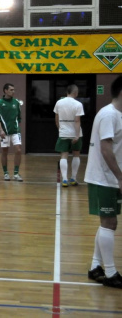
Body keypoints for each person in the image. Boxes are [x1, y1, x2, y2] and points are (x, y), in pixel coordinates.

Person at [85, 75, 122, 288]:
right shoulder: (109, 114)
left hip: (111, 176)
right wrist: (119, 176)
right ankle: (110, 273)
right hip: (104, 177)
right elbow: (106, 148)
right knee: (109, 222)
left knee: (109, 222)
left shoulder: (118, 114)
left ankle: (96, 266)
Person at [54, 84, 84, 187]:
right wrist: (76, 136)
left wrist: (60, 129)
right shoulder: (78, 104)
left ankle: (65, 179)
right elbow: (77, 121)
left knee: (64, 155)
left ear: (67, 92)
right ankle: (73, 178)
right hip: (76, 133)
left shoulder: (59, 103)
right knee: (76, 154)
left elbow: (56, 119)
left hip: (63, 132)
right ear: (75, 92)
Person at [0, 83, 23, 181]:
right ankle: (6, 173)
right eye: (11, 90)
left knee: (18, 150)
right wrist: (1, 130)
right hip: (4, 132)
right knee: (5, 151)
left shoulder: (17, 102)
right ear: (5, 90)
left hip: (15, 131)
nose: (13, 91)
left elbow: (19, 118)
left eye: (14, 90)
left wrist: (16, 127)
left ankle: (16, 173)